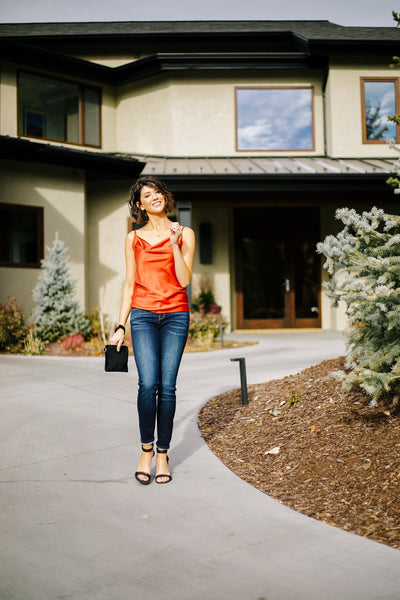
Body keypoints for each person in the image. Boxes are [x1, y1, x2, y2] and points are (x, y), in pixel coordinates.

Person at [109, 176, 195, 485]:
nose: (155, 196)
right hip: (143, 316)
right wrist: (120, 325)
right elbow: (130, 284)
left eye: (158, 191)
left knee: (167, 387)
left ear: (164, 198)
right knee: (148, 385)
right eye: (148, 194)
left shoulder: (185, 234)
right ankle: (146, 450)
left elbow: (184, 280)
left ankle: (162, 454)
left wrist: (173, 244)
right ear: (140, 205)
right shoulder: (133, 239)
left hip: (175, 316)